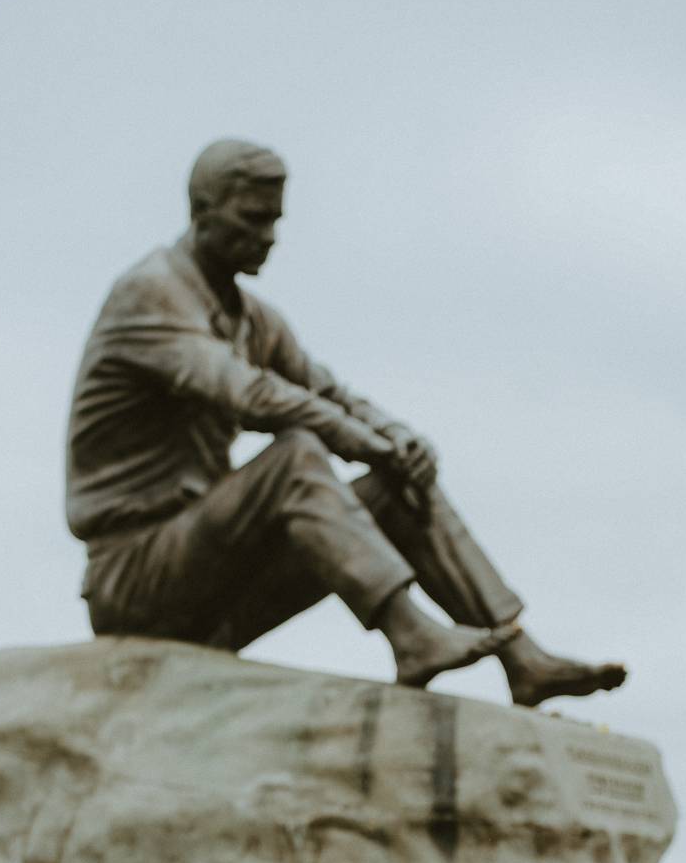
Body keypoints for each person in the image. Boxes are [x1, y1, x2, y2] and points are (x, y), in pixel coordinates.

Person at [66, 138, 627, 710]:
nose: (270, 237)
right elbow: (249, 392)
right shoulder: (151, 292)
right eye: (254, 218)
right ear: (202, 210)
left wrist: (396, 438)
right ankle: (411, 635)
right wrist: (360, 442)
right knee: (296, 456)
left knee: (398, 484)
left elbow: (329, 391)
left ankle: (521, 658)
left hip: (212, 586)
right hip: (136, 582)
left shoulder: (255, 319)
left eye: (276, 221)